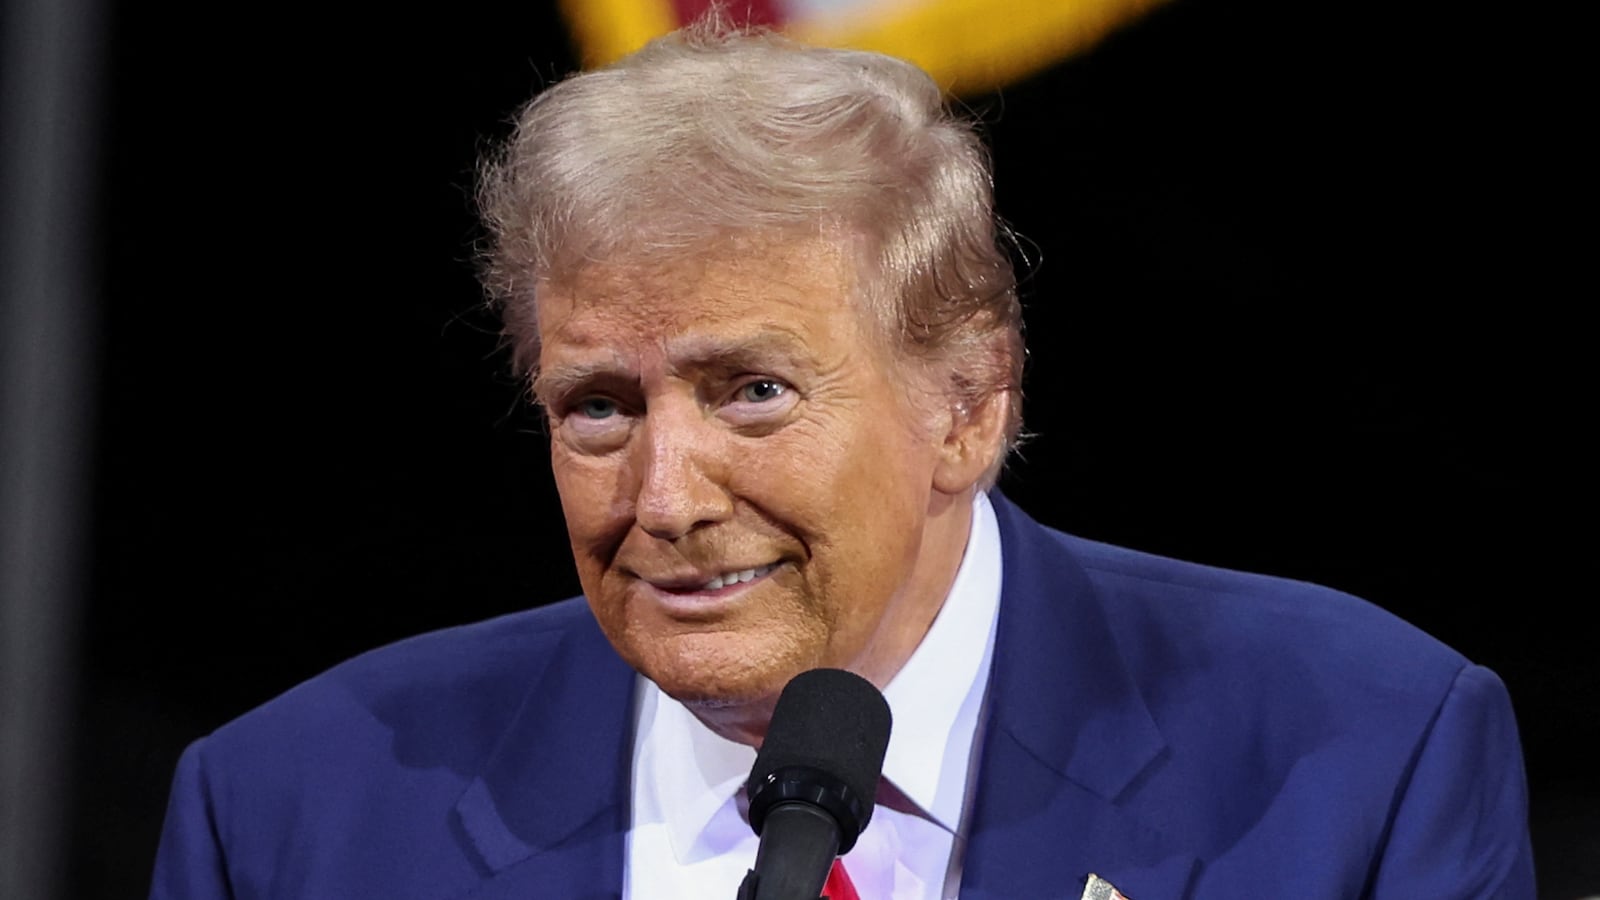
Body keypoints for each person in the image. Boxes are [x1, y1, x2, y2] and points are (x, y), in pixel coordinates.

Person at [150, 19, 1536, 900]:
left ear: (969, 406)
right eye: (597, 409)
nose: (667, 499)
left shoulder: (1357, 755)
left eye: (752, 391)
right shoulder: (291, 818)